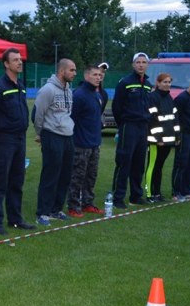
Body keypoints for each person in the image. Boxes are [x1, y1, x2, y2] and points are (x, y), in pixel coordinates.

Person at [0, 48, 36, 233]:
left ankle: (15, 219)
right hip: (3, 139)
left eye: (20, 59)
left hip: (20, 139)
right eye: (15, 60)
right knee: (0, 181)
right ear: (6, 64)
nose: (19, 62)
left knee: (17, 180)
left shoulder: (20, 85)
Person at [34, 58, 76, 226]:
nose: (74, 73)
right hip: (52, 135)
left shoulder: (69, 90)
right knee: (50, 175)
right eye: (71, 70)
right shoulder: (48, 90)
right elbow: (38, 114)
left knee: (65, 175)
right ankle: (43, 212)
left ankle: (56, 209)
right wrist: (41, 133)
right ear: (61, 71)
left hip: (68, 136)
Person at [111, 52, 153, 208]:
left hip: (143, 128)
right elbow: (117, 106)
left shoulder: (148, 84)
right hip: (128, 126)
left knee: (139, 163)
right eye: (138, 62)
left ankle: (136, 196)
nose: (141, 65)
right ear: (133, 64)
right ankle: (118, 197)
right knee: (124, 161)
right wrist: (123, 124)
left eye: (144, 62)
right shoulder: (125, 82)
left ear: (147, 65)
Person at [67, 65, 105, 217]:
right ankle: (73, 206)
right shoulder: (79, 95)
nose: (98, 77)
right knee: (77, 176)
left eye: (100, 75)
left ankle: (87, 203)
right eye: (95, 74)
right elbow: (71, 118)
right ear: (86, 76)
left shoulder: (97, 94)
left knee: (91, 175)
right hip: (81, 144)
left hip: (94, 143)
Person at [144, 73, 180, 203]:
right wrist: (158, 138)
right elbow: (152, 120)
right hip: (156, 141)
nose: (167, 84)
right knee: (152, 166)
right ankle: (149, 194)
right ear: (158, 83)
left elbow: (175, 118)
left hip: (168, 139)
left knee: (159, 166)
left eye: (169, 82)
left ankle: (157, 193)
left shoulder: (169, 98)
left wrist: (177, 136)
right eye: (165, 82)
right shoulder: (152, 97)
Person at [171, 78, 190, 200]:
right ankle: (176, 191)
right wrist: (177, 134)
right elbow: (175, 117)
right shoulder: (181, 98)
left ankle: (186, 190)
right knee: (181, 163)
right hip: (184, 134)